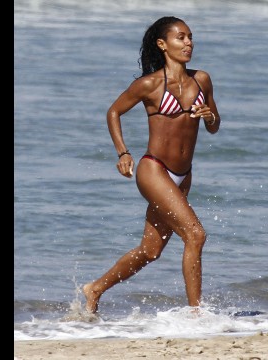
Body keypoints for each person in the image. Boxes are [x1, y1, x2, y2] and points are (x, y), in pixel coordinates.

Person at [82, 16, 220, 313]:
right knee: (196, 235)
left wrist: (209, 116)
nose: (188, 43)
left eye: (190, 37)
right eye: (180, 38)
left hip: (182, 176)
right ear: (162, 44)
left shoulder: (202, 80)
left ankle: (94, 289)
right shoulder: (149, 84)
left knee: (150, 250)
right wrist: (123, 153)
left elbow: (214, 126)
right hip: (154, 169)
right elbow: (114, 112)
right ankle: (197, 315)